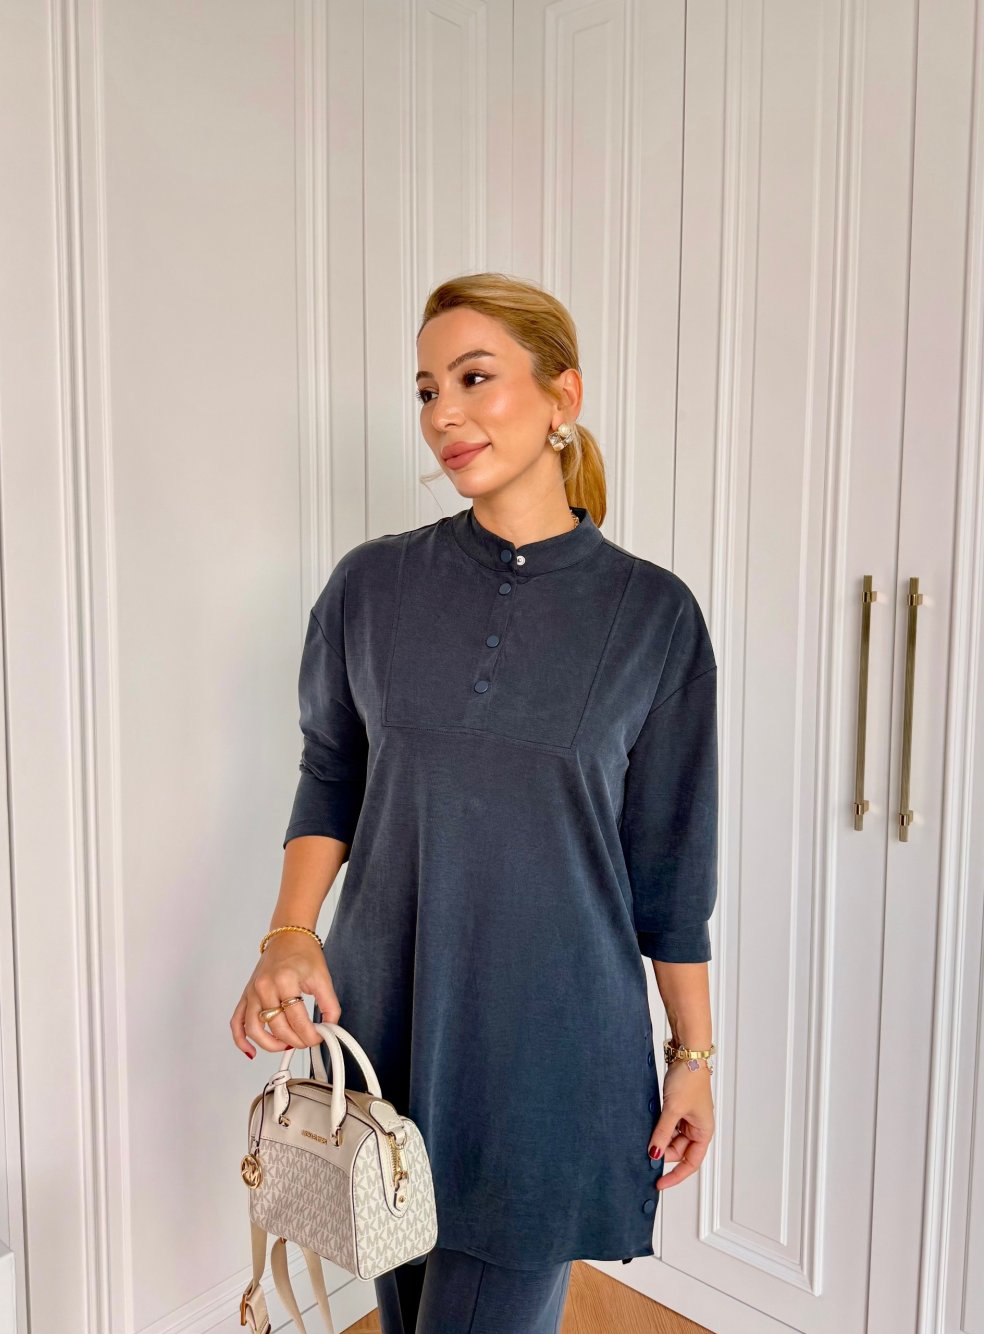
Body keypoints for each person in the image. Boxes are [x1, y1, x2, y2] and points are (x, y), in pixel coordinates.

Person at [229, 272, 719, 1334]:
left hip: (551, 1046)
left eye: (474, 378)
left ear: (561, 396)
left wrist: (692, 1056)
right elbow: (333, 770)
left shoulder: (653, 615)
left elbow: (671, 865)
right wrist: (289, 934)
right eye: (426, 389)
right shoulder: (371, 586)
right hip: (387, 1019)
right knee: (406, 1306)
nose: (442, 413)